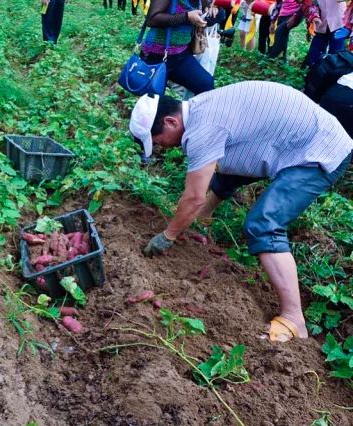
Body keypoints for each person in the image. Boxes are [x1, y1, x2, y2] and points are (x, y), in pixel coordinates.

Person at [130, 81, 352, 342]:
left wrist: (168, 235)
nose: (161, 147)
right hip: (304, 135)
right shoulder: (202, 107)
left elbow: (192, 197)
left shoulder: (203, 130)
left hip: (318, 152)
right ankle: (204, 218)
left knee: (263, 224)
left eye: (157, 141)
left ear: (170, 122)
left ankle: (294, 319)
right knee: (224, 163)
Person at [140, 0, 216, 95]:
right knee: (153, 101)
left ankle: (185, 109)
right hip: (156, 56)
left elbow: (203, 14)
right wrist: (186, 16)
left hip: (181, 55)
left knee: (206, 85)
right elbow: (152, 19)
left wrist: (214, 11)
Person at [305, 0, 347, 67]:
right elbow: (309, 3)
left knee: (336, 56)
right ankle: (313, 71)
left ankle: (332, 74)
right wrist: (313, 17)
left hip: (338, 22)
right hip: (319, 22)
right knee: (313, 58)